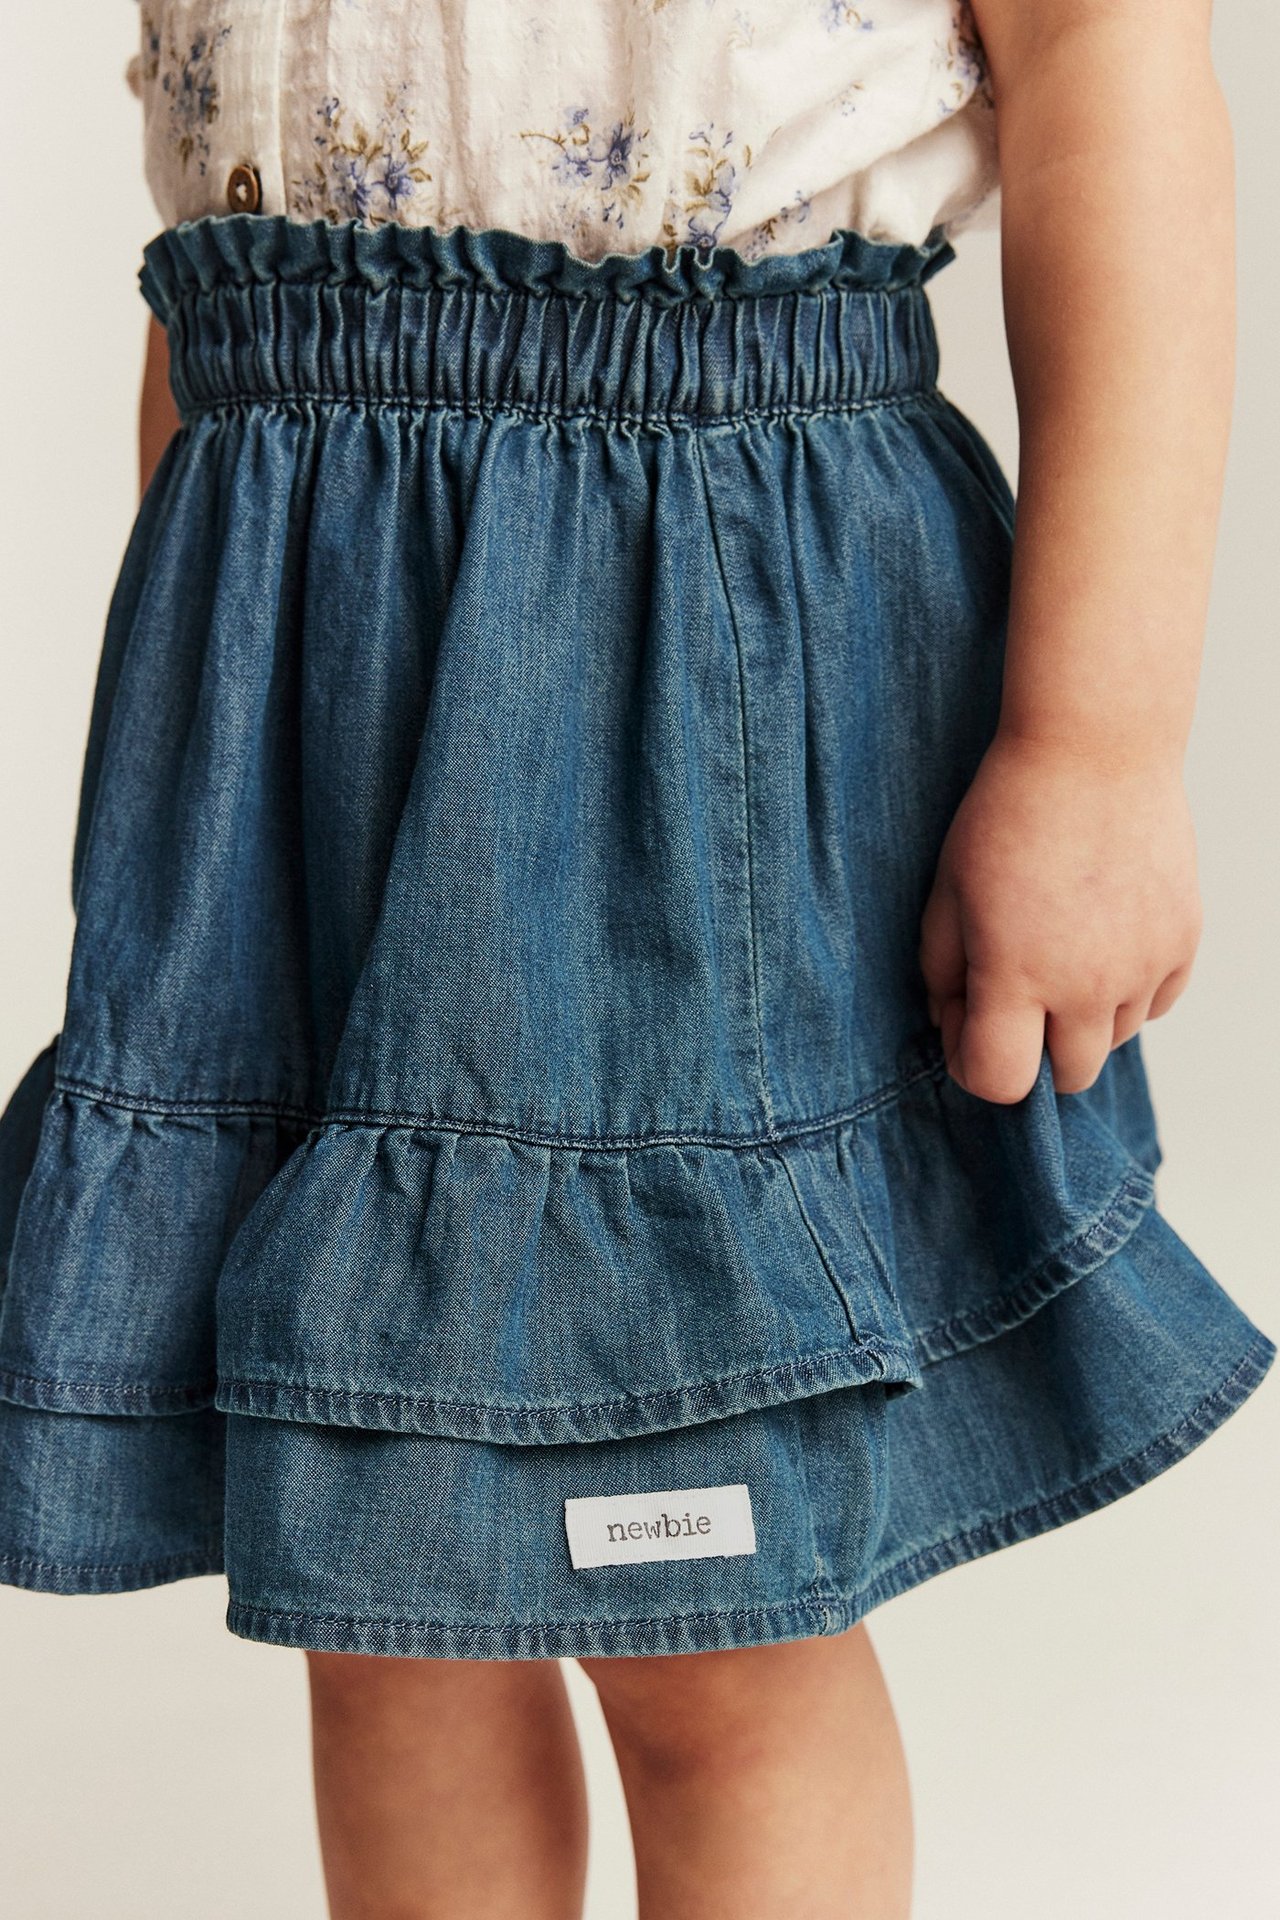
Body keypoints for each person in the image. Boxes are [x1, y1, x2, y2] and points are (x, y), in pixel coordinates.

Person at [0, 3, 1272, 1916]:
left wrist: (1095, 742)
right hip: (286, 604)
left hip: (691, 610)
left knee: (708, 1605)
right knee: (380, 1568)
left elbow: (1109, 58)